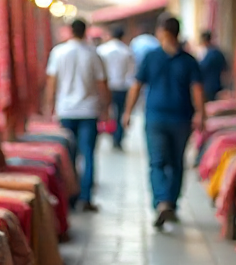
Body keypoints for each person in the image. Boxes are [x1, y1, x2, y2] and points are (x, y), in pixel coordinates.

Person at [122, 14, 205, 229]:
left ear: (162, 32)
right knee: (176, 163)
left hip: (158, 117)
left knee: (158, 162)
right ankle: (170, 203)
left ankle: (162, 202)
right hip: (179, 118)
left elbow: (136, 85)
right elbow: (197, 90)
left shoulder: (152, 57)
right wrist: (201, 114)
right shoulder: (188, 60)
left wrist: (127, 112)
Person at [44, 18, 109, 212]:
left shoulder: (59, 52)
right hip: (89, 111)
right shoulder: (93, 54)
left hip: (66, 110)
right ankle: (86, 197)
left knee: (68, 156)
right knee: (88, 154)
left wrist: (50, 106)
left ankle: (70, 196)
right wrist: (106, 108)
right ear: (85, 31)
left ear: (70, 31)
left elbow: (51, 82)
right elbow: (102, 84)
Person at [97, 26, 135, 150]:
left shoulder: (102, 50)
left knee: (104, 111)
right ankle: (117, 138)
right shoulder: (127, 51)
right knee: (119, 114)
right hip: (121, 87)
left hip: (106, 85)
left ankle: (105, 133)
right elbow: (131, 73)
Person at [195, 29, 229, 102]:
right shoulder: (218, 53)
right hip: (218, 85)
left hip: (208, 88)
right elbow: (226, 69)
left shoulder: (207, 55)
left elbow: (200, 69)